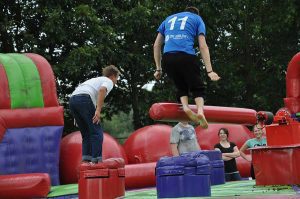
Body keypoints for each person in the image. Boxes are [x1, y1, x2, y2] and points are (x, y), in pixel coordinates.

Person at [153, 6, 220, 129]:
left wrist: (158, 68)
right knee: (197, 86)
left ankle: (185, 107)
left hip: (168, 58)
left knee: (180, 85)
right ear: (196, 14)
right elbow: (203, 45)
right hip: (186, 55)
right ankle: (200, 111)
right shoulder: (198, 19)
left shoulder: (168, 19)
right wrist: (210, 70)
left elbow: (156, 45)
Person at [69, 65, 120, 164]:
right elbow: (102, 90)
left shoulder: (94, 80)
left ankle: (86, 160)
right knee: (96, 131)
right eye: (116, 78)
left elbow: (78, 95)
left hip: (72, 100)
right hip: (84, 98)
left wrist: (77, 116)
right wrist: (98, 110)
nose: (116, 81)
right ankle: (96, 160)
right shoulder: (108, 81)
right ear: (113, 76)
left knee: (86, 134)